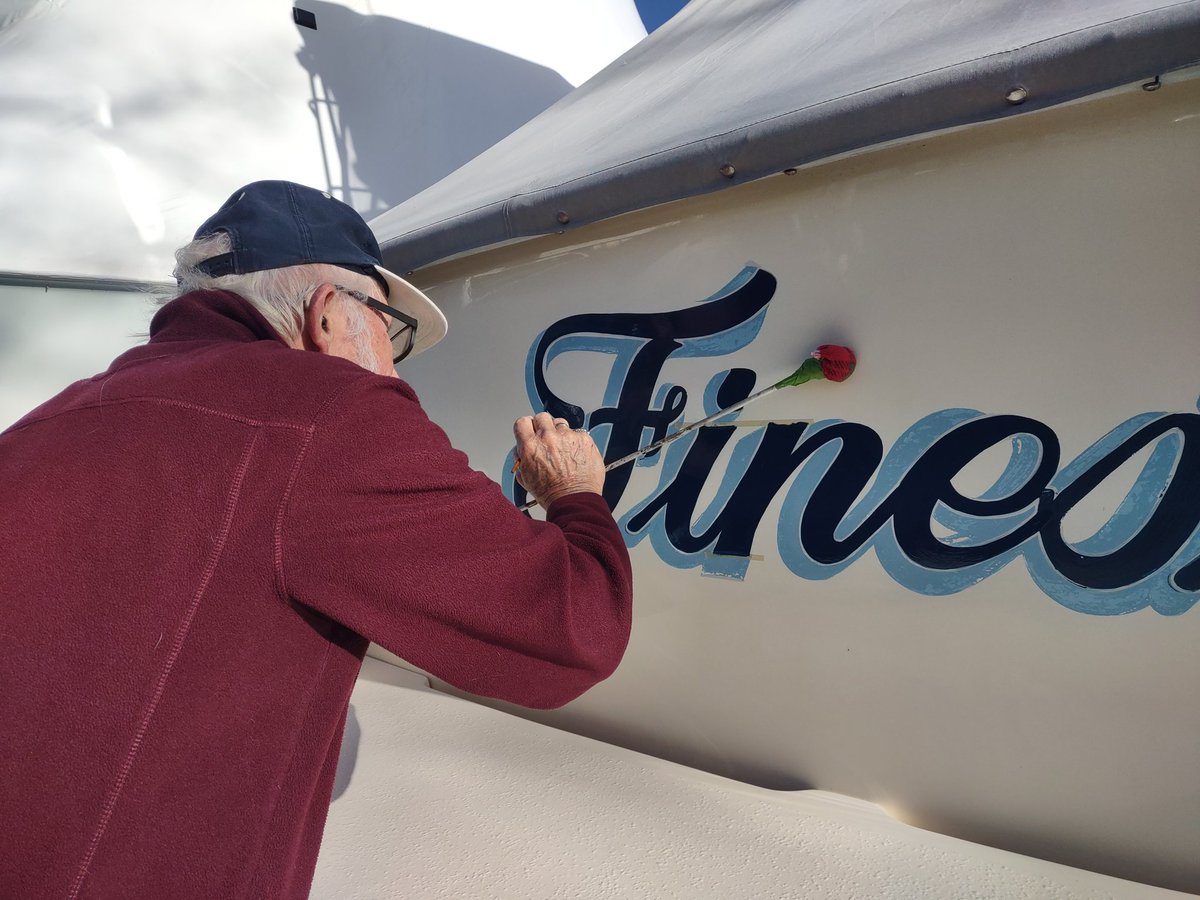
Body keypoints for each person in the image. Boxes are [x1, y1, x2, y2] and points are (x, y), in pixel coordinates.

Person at [0, 181, 633, 899]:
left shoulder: (43, 422)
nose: (394, 365)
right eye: (392, 331)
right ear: (328, 312)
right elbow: (570, 630)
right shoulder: (330, 415)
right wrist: (575, 495)